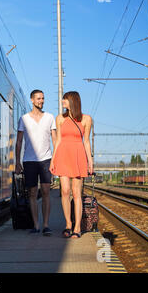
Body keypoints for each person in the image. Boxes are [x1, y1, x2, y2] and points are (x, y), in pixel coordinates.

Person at [50, 91, 93, 239]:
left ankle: (77, 227)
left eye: (65, 99)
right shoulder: (60, 118)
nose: (62, 101)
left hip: (78, 155)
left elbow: (86, 141)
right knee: (65, 191)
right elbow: (58, 141)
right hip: (63, 155)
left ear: (73, 101)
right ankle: (68, 224)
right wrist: (53, 160)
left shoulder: (86, 119)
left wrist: (90, 162)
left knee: (76, 193)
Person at [15, 90, 57, 236]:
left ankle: (46, 225)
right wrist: (17, 162)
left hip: (46, 160)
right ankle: (36, 225)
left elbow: (55, 140)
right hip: (29, 160)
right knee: (32, 193)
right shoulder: (24, 119)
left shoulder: (50, 117)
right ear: (32, 100)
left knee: (45, 191)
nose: (41, 101)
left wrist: (55, 159)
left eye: (43, 98)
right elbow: (19, 141)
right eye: (39, 98)